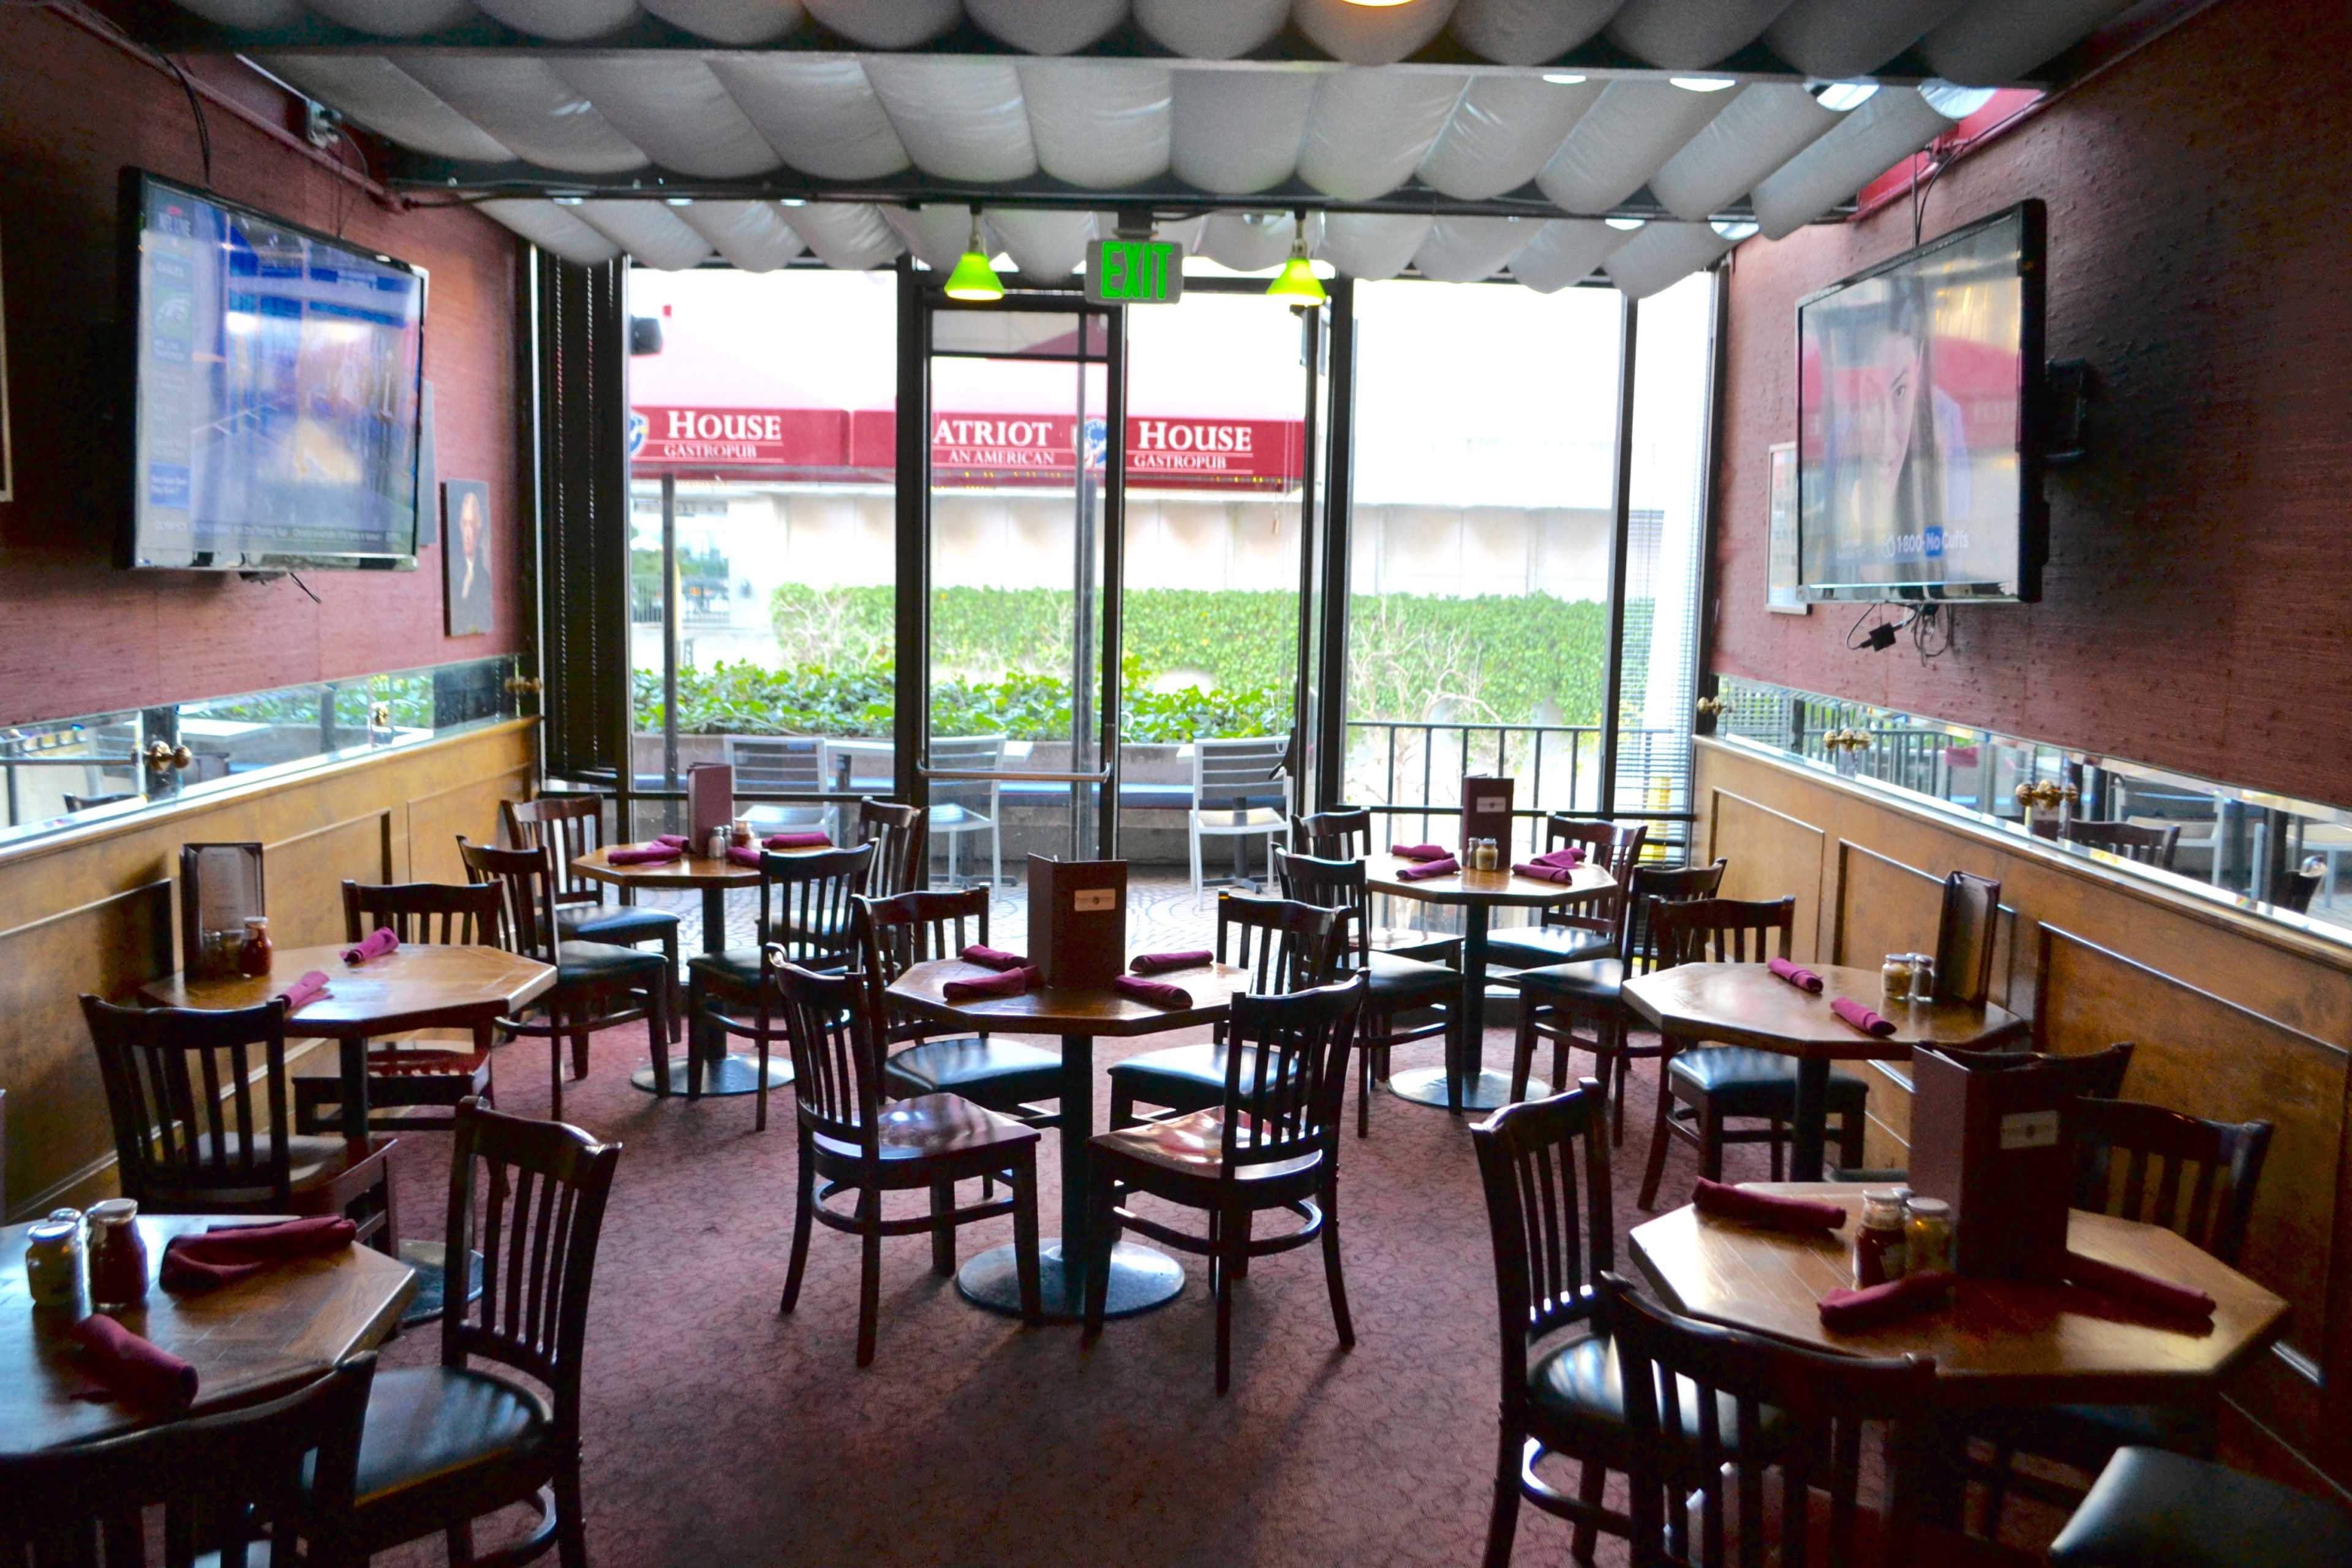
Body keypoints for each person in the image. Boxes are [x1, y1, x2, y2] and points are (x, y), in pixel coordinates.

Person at [448, 486, 492, 635]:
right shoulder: (452, 573)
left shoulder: (485, 578)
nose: (468, 533)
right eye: (464, 524)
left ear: (479, 526)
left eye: (472, 524)